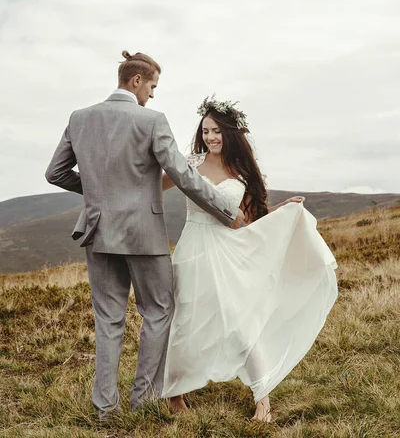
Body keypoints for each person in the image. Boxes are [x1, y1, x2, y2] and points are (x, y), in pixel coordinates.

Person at [45, 53, 245, 420]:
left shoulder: (79, 118)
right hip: (143, 234)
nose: (153, 95)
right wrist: (227, 211)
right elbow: (184, 176)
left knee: (108, 319)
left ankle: (105, 410)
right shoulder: (152, 121)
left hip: (96, 230)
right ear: (136, 81)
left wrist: (100, 195)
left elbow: (54, 173)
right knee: (158, 310)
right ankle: (145, 400)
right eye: (152, 86)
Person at [161, 95, 338, 423]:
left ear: (229, 133)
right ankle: (175, 395)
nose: (210, 137)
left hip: (229, 250)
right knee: (186, 320)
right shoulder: (190, 162)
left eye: (216, 131)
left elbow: (249, 220)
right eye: (206, 131)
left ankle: (263, 400)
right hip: (193, 250)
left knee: (242, 324)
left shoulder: (240, 170)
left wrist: (282, 211)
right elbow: (154, 186)